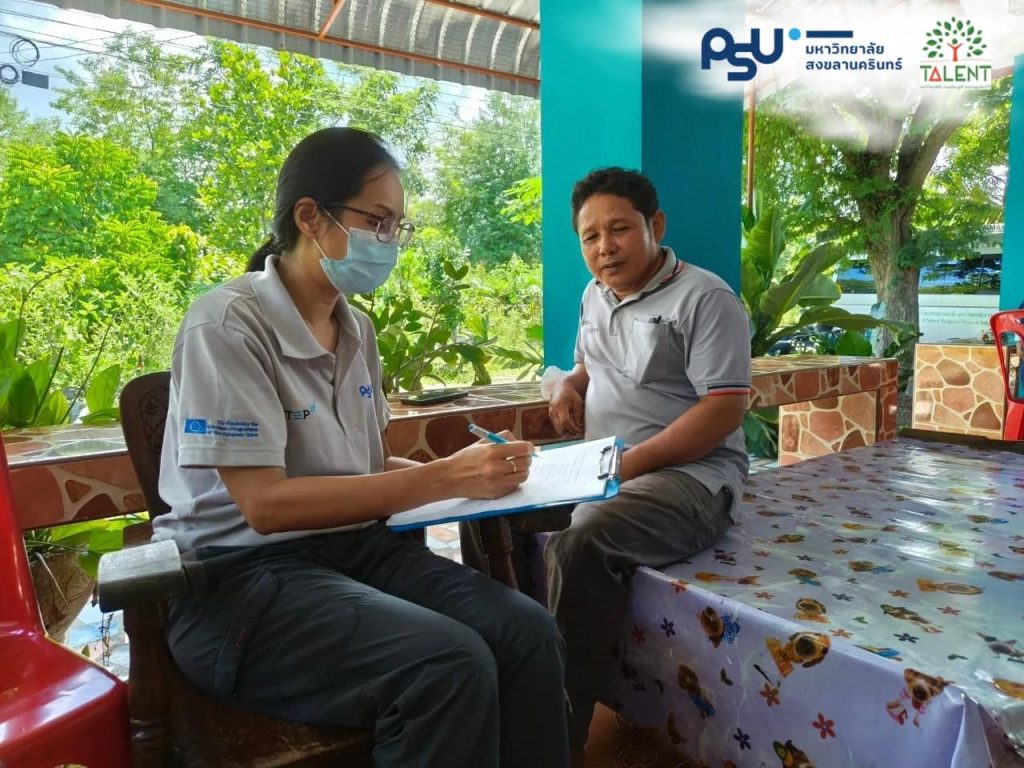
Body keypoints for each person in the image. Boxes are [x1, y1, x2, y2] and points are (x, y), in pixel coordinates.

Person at [153, 127, 570, 768]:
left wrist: (474, 474)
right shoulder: (227, 324)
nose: (388, 242)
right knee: (448, 664)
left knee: (527, 632)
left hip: (355, 552)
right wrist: (442, 478)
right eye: (377, 220)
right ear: (309, 216)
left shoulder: (357, 329)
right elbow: (266, 505)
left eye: (397, 227)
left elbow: (367, 470)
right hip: (240, 584)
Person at [545, 168, 752, 759]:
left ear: (654, 226)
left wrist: (625, 468)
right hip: (608, 466)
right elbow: (589, 365)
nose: (604, 247)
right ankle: (509, 677)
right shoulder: (594, 295)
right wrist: (568, 388)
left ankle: (559, 725)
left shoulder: (704, 298)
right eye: (590, 236)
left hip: (691, 479)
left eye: (619, 229)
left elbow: (722, 411)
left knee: (585, 537)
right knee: (488, 506)